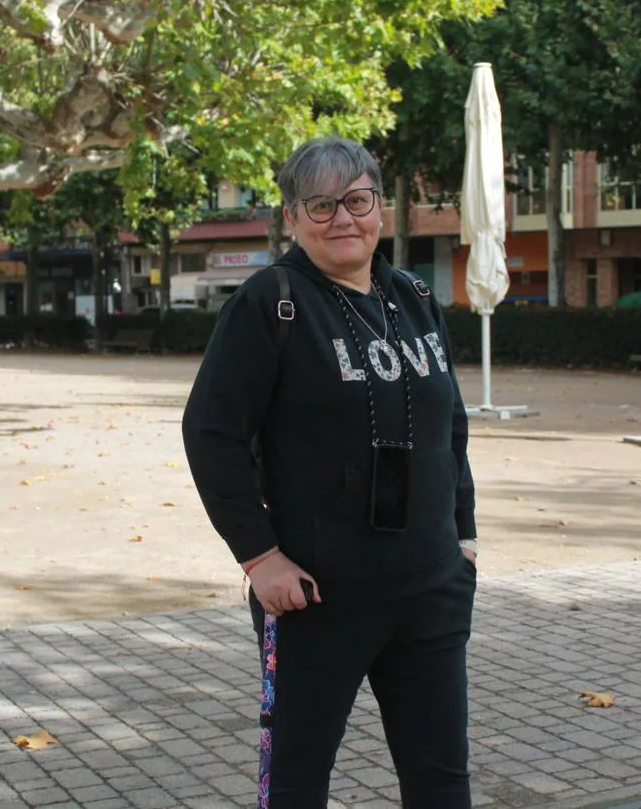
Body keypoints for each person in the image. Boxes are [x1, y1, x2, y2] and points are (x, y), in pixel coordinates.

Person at [182, 136, 478, 808]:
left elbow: (450, 424)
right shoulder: (272, 303)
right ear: (292, 216)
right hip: (316, 597)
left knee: (442, 783)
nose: (343, 218)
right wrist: (260, 558)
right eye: (321, 205)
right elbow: (211, 432)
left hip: (430, 590)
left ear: (380, 204)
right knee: (296, 781)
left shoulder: (413, 296)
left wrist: (463, 538)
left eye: (357, 199)